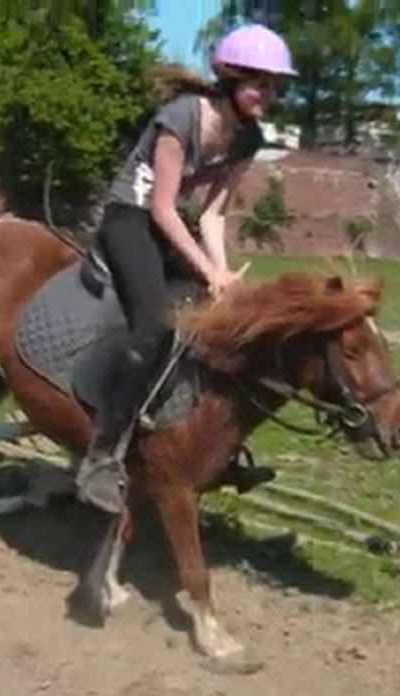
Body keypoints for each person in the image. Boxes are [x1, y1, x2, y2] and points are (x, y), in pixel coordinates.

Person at [73, 23, 299, 514]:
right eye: (260, 83)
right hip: (129, 218)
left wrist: (223, 278)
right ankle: (101, 458)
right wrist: (209, 271)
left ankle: (211, 444)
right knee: (153, 327)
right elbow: (162, 209)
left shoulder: (249, 139)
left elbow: (214, 214)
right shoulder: (180, 118)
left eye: (276, 86)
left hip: (173, 226)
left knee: (222, 321)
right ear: (231, 78)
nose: (270, 94)